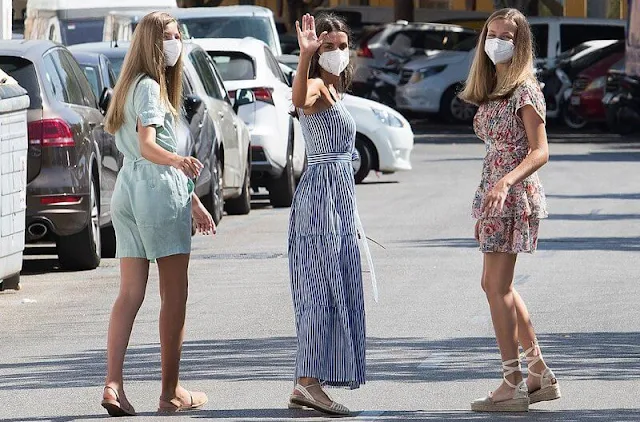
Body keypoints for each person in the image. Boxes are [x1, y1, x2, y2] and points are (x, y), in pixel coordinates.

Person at [100, 11, 215, 416]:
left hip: (128, 192)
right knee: (175, 296)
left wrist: (195, 201)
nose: (175, 42)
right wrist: (179, 160)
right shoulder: (150, 88)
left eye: (178, 34)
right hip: (156, 191)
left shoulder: (126, 85)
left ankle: (113, 385)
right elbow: (149, 146)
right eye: (168, 36)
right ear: (151, 42)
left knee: (129, 294)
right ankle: (170, 392)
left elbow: (137, 151)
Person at [459, 8, 561, 413]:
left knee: (496, 287)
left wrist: (504, 183)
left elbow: (541, 151)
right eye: (492, 34)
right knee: (494, 285)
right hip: (494, 193)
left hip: (513, 195)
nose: (496, 41)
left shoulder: (525, 89)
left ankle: (511, 381)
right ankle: (537, 372)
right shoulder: (496, 85)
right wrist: (491, 189)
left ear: (521, 45)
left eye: (506, 36)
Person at [287, 13, 374, 417]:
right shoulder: (318, 85)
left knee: (337, 288)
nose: (337, 52)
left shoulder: (337, 90)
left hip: (339, 201)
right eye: (328, 46)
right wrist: (305, 58)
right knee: (319, 292)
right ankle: (307, 382)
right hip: (320, 198)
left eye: (342, 46)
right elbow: (299, 99)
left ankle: (309, 380)